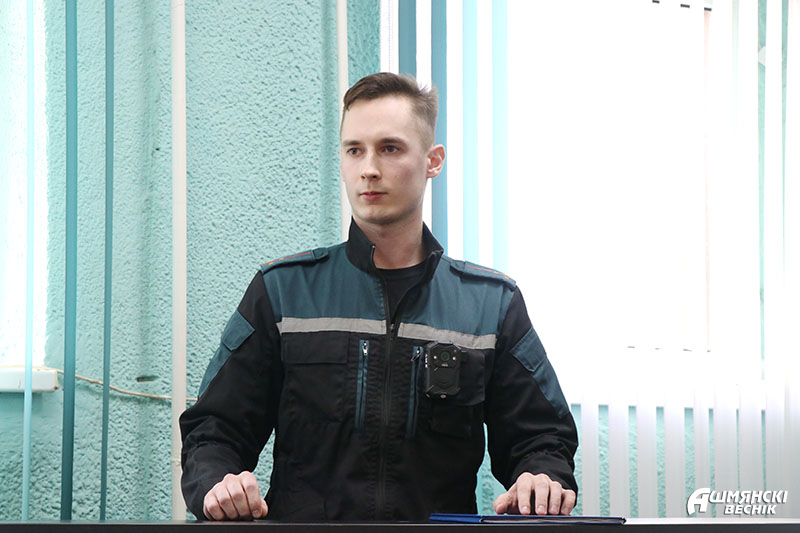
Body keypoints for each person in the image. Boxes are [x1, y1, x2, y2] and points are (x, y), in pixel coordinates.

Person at [179, 72, 578, 522]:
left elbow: (542, 439)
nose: (369, 168)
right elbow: (214, 431)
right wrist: (217, 483)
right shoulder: (283, 293)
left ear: (433, 161)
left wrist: (541, 477)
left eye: (389, 148)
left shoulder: (490, 305)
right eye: (355, 150)